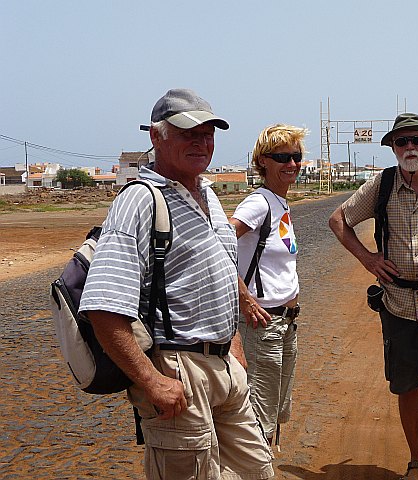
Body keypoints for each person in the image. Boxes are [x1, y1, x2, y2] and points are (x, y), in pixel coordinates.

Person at [79, 88, 274, 480]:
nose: (201, 142)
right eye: (188, 132)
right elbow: (102, 306)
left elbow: (220, 271)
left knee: (259, 471)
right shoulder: (139, 201)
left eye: (209, 133)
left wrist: (232, 343)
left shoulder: (209, 194)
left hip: (224, 368)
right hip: (178, 373)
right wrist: (151, 381)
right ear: (156, 136)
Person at [329, 113, 418, 480]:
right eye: (402, 142)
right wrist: (368, 259)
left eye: (416, 141)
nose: (410, 148)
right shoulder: (380, 185)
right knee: (406, 387)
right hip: (397, 306)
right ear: (393, 148)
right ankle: (417, 460)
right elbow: (338, 220)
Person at [229, 124, 307, 447]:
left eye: (296, 157)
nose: (291, 164)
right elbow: (218, 245)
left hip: (285, 324)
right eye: (282, 157)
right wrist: (244, 298)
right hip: (263, 326)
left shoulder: (281, 203)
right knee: (259, 415)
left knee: (275, 410)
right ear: (263, 162)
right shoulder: (259, 203)